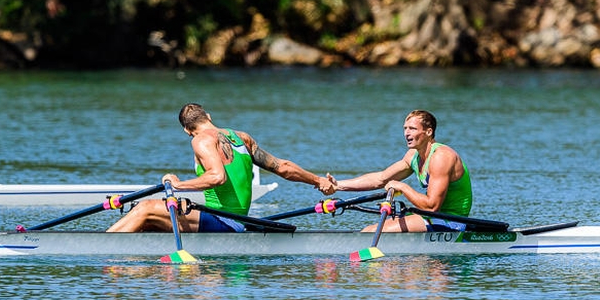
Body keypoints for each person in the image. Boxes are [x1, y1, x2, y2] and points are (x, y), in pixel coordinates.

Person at [108, 103, 335, 233]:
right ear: (208, 116)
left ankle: (98, 248)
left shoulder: (200, 140)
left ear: (187, 130)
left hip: (226, 223)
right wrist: (318, 181)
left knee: (146, 207)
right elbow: (283, 167)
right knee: (150, 221)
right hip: (237, 220)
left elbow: (217, 177)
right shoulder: (242, 138)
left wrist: (178, 185)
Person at [328, 110, 473, 232]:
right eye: (405, 128)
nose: (407, 133)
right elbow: (380, 179)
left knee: (370, 232)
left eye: (413, 129)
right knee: (369, 230)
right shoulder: (413, 156)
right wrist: (338, 185)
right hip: (433, 217)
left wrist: (402, 187)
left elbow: (432, 206)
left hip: (452, 221)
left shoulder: (441, 157)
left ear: (429, 132)